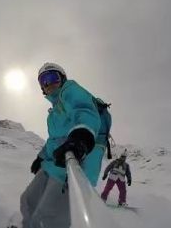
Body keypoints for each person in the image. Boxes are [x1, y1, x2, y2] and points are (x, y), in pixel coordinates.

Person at [19, 62, 107, 228]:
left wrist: (81, 137)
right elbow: (54, 140)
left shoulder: (70, 91)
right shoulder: (53, 114)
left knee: (47, 218)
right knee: (27, 200)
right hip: (53, 164)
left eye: (53, 77)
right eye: (43, 81)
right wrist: (41, 157)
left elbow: (84, 110)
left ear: (63, 79)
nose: (48, 83)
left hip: (73, 163)